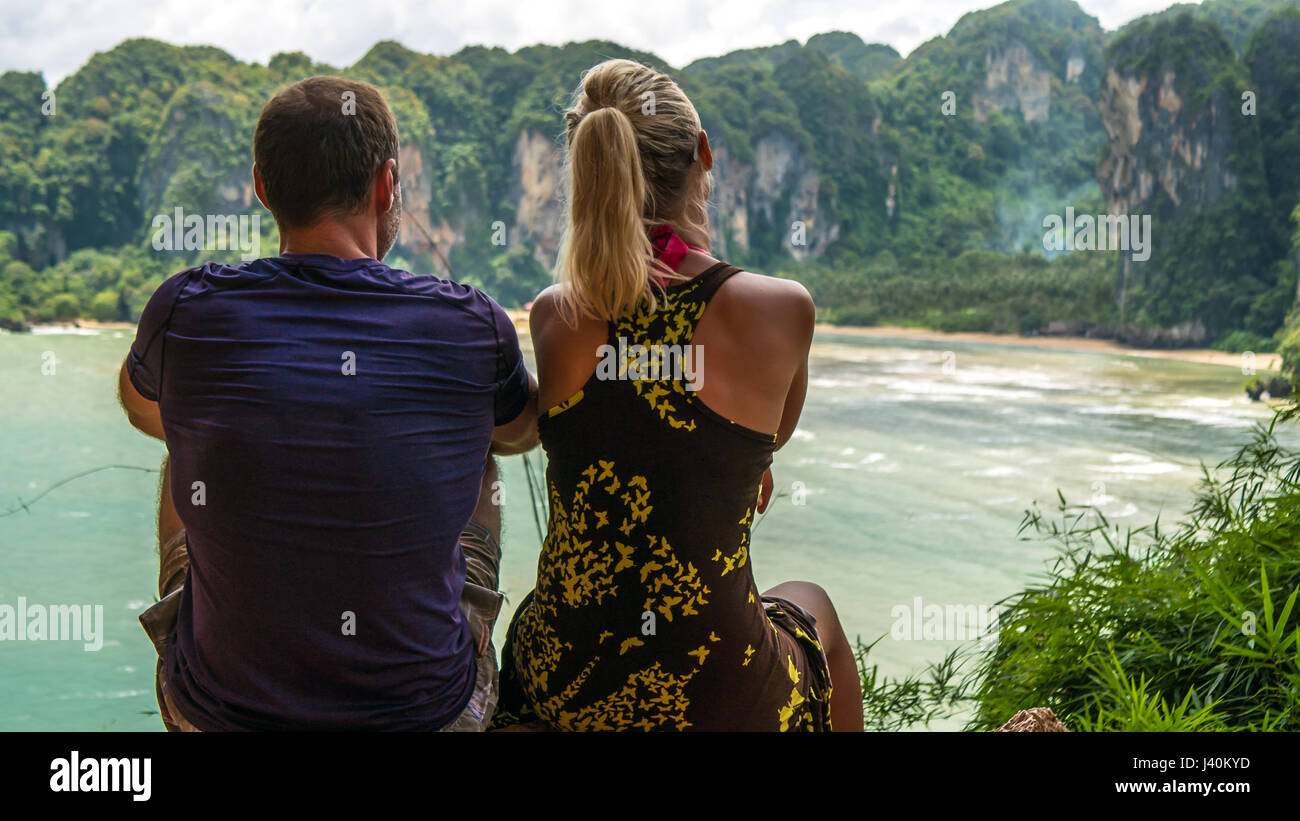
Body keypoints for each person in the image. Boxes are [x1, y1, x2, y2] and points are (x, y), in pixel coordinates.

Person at [119, 75, 539, 731]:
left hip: (218, 712)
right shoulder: (471, 324)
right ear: (386, 184)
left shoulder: (185, 309)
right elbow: (522, 430)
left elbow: (141, 408)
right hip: (426, 715)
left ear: (262, 188)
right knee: (479, 446)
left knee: (185, 437)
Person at [491, 59, 863, 731]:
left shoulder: (557, 316)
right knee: (813, 606)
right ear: (705, 154)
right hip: (717, 700)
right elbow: (765, 436)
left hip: (562, 682)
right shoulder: (782, 310)